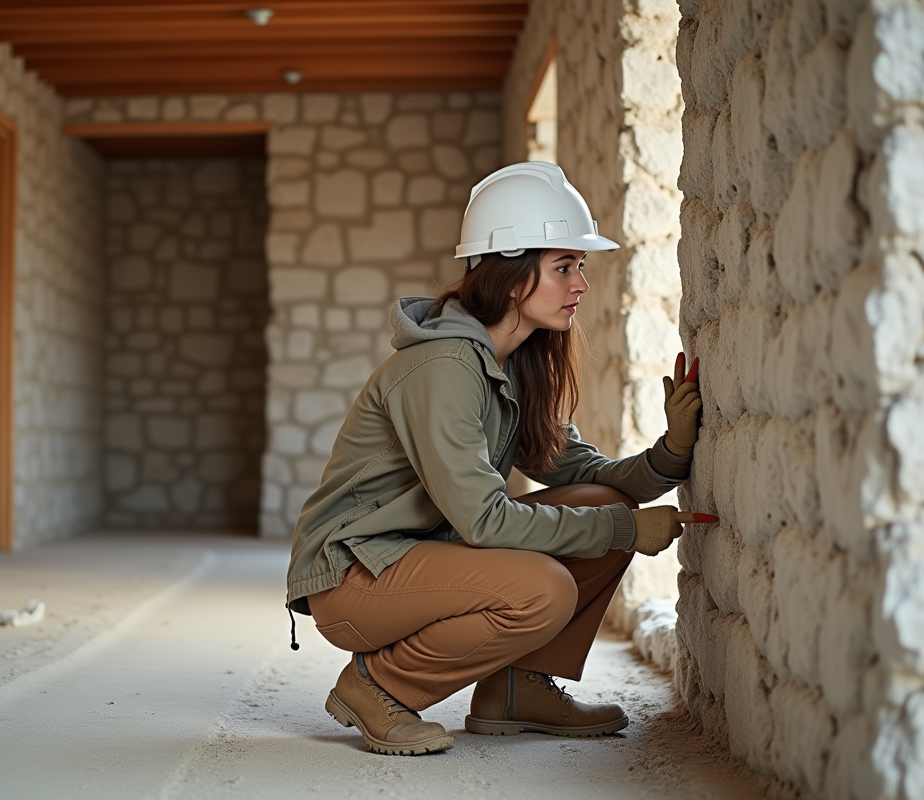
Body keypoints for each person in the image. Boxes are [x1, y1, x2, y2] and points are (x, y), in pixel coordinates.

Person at [284, 162, 715, 756]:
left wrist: (672, 452)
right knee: (543, 588)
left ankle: (517, 688)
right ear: (512, 278)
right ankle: (376, 685)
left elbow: (589, 476)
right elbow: (484, 520)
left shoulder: (514, 364)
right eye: (564, 267)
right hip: (354, 576)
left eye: (581, 267)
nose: (581, 285)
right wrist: (624, 528)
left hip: (419, 558)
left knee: (601, 504)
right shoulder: (443, 369)